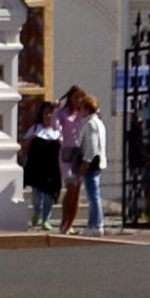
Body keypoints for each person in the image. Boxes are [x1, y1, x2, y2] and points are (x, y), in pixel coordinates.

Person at [60, 88, 107, 235]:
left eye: (82, 108)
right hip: (97, 161)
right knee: (94, 194)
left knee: (93, 196)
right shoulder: (97, 122)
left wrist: (85, 163)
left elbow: (92, 146)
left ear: (87, 108)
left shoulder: (90, 124)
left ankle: (96, 225)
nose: (79, 111)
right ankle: (93, 224)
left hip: (91, 163)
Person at [20, 87, 63, 231]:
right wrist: (32, 139)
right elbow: (23, 144)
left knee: (50, 195)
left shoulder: (59, 131)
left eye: (51, 113)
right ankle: (37, 212)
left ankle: (46, 219)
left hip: (53, 168)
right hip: (37, 168)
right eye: (46, 112)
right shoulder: (35, 128)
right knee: (38, 198)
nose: (49, 115)